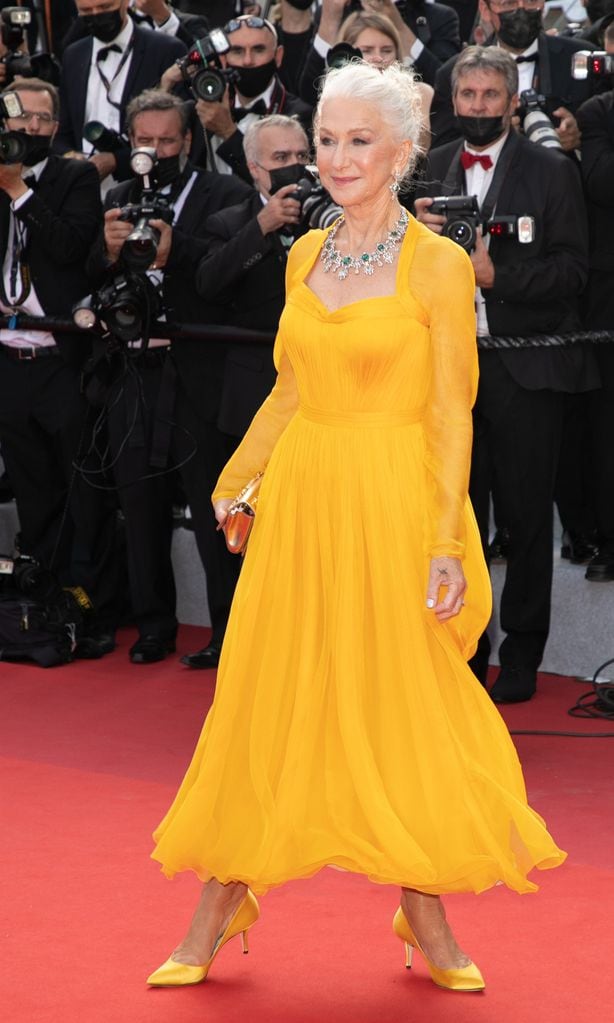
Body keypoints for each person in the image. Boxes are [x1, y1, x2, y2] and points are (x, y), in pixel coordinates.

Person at [147, 60, 565, 991]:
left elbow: (453, 412)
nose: (336, 159)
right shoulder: (304, 254)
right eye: (326, 140)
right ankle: (222, 897)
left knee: (399, 705)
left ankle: (424, 909)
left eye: (357, 141)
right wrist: (240, 477)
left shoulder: (439, 265)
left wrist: (448, 541)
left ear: (403, 150)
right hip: (304, 501)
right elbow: (292, 389)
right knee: (269, 696)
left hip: (394, 501)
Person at [414, 45, 596, 702]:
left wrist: (498, 276)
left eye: (492, 96)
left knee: (524, 521)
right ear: (453, 101)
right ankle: (464, 655)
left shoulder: (552, 171)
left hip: (524, 369)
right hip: (446, 375)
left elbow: (575, 272)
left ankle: (521, 657)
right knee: (456, 520)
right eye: (469, 96)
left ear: (513, 100)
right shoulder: (429, 169)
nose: (480, 107)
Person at [86, 89, 251, 664]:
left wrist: (174, 252)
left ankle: (229, 632)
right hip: (134, 370)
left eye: (166, 140)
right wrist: (106, 253)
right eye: (143, 141)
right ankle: (153, 625)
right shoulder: (117, 196)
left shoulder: (224, 193)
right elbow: (87, 272)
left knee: (213, 508)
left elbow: (227, 275)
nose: (154, 151)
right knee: (140, 502)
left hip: (199, 372)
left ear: (188, 142)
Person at [0, 77, 119, 656]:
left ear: (57, 125)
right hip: (8, 361)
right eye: (18, 119)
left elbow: (72, 250)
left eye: (41, 119)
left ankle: (88, 608)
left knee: (81, 491)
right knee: (32, 491)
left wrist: (20, 192)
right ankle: (42, 604)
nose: (28, 128)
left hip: (62, 363)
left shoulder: (74, 177)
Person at [429, 0, 597, 150]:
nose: (521, 10)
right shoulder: (454, 71)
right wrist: (487, 136)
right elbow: (441, 151)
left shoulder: (583, 57)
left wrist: (580, 136)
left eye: (531, 1)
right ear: (485, 9)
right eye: (508, 3)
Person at [54, 0, 186, 184]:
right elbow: (62, 131)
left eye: (105, 7)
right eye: (86, 10)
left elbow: (176, 131)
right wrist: (70, 156)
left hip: (147, 181)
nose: (96, 15)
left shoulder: (165, 49)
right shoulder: (73, 55)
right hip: (85, 188)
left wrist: (117, 161)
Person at [191, 13, 313, 183]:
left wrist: (228, 133)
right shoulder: (204, 107)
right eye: (238, 51)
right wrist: (167, 82)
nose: (248, 60)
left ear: (278, 56)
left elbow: (284, 185)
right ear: (223, 59)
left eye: (258, 49)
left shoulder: (302, 115)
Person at [299, 5, 434, 153]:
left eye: (387, 50)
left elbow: (420, 148)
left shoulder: (419, 93)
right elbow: (324, 144)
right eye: (367, 50)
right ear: (348, 53)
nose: (378, 58)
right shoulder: (333, 96)